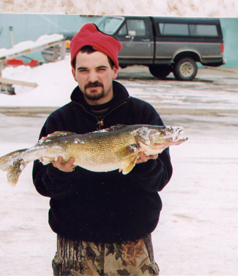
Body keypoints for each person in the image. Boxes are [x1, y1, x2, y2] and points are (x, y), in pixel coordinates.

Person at [33, 23, 173, 276]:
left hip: (132, 244)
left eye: (101, 68)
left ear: (114, 70)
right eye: (84, 70)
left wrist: (145, 164)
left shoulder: (142, 116)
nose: (93, 78)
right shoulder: (59, 122)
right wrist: (60, 172)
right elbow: (42, 185)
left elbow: (160, 179)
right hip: (75, 246)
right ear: (74, 73)